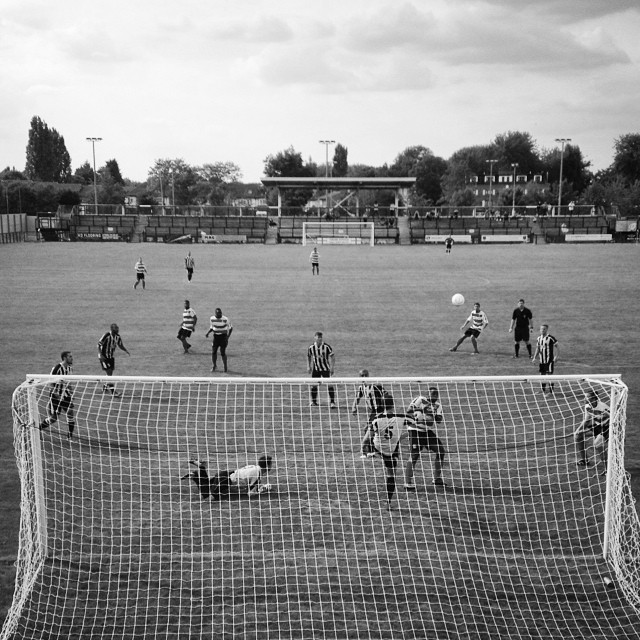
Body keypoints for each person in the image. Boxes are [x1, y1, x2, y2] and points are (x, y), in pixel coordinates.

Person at [361, 396, 410, 509]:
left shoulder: (376, 420)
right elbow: (415, 425)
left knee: (372, 437)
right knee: (391, 474)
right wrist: (400, 437)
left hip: (378, 447)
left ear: (381, 405)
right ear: (393, 405)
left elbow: (365, 440)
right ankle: (388, 502)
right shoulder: (401, 418)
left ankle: (372, 453)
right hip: (391, 451)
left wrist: (363, 450)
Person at [403, 387, 447, 489]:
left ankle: (437, 479)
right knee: (414, 455)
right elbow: (409, 410)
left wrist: (434, 414)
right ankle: (407, 482)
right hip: (414, 430)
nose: (435, 397)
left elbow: (439, 420)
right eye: (433, 394)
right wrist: (423, 410)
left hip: (426, 431)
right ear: (428, 394)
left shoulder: (438, 406)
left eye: (436, 395)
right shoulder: (420, 399)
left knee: (441, 451)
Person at [182, 455, 273, 500]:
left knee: (207, 485)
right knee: (207, 497)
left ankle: (195, 476)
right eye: (270, 464)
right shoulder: (257, 474)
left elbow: (248, 484)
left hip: (226, 475)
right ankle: (200, 469)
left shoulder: (255, 468)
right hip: (225, 480)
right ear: (267, 466)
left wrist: (258, 487)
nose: (271, 466)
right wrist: (262, 490)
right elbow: (250, 493)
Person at [351, 369, 393, 456]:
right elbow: (357, 398)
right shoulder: (361, 387)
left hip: (380, 410)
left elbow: (387, 396)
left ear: (368, 376)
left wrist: (387, 409)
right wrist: (354, 407)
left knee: (369, 429)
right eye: (362, 376)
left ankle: (370, 451)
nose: (364, 378)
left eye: (365, 375)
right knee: (371, 430)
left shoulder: (376, 386)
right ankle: (374, 450)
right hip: (373, 412)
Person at [39, 351, 77, 439]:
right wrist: (57, 395)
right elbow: (50, 384)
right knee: (53, 418)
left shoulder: (69, 368)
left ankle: (70, 436)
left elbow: (69, 382)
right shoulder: (57, 368)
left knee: (70, 412)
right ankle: (39, 427)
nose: (72, 358)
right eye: (70, 357)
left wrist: (71, 392)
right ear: (64, 358)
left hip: (66, 395)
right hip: (55, 396)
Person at [574, 391, 610, 474]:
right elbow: (587, 420)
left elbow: (613, 418)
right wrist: (578, 430)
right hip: (598, 426)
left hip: (608, 427)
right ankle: (585, 460)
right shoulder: (587, 406)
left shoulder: (603, 407)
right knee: (578, 436)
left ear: (593, 398)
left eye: (586, 397)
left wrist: (603, 423)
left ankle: (608, 469)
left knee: (597, 443)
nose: (584, 399)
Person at [97, 324, 130, 396]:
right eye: (116, 328)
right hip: (104, 357)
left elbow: (120, 345)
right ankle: (113, 392)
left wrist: (126, 350)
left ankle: (105, 386)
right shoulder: (106, 335)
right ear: (112, 329)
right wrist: (101, 355)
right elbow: (99, 345)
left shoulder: (118, 337)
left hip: (111, 357)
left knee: (110, 373)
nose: (117, 330)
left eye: (117, 328)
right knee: (109, 373)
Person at [307, 331, 336, 408]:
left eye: (320, 338)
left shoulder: (326, 347)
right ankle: (314, 402)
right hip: (316, 369)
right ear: (315, 338)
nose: (319, 339)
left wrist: (332, 367)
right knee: (314, 385)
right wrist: (309, 366)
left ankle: (332, 402)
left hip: (325, 369)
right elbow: (309, 356)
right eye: (318, 337)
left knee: (330, 385)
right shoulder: (311, 347)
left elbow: (332, 356)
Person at [531, 324, 559, 393]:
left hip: (549, 360)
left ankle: (551, 392)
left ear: (547, 330)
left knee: (549, 376)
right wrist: (534, 357)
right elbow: (537, 348)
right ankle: (542, 390)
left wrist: (556, 356)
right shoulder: (539, 338)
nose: (542, 330)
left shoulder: (550, 338)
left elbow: (557, 347)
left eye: (544, 329)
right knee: (542, 375)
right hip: (542, 361)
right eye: (541, 329)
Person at [206, 307, 232, 372]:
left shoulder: (225, 319)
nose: (219, 315)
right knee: (213, 352)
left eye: (220, 313)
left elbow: (231, 328)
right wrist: (208, 333)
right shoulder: (212, 319)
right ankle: (214, 366)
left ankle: (225, 367)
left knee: (222, 352)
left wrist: (228, 337)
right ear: (215, 314)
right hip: (216, 337)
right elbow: (212, 327)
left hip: (223, 337)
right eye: (218, 314)